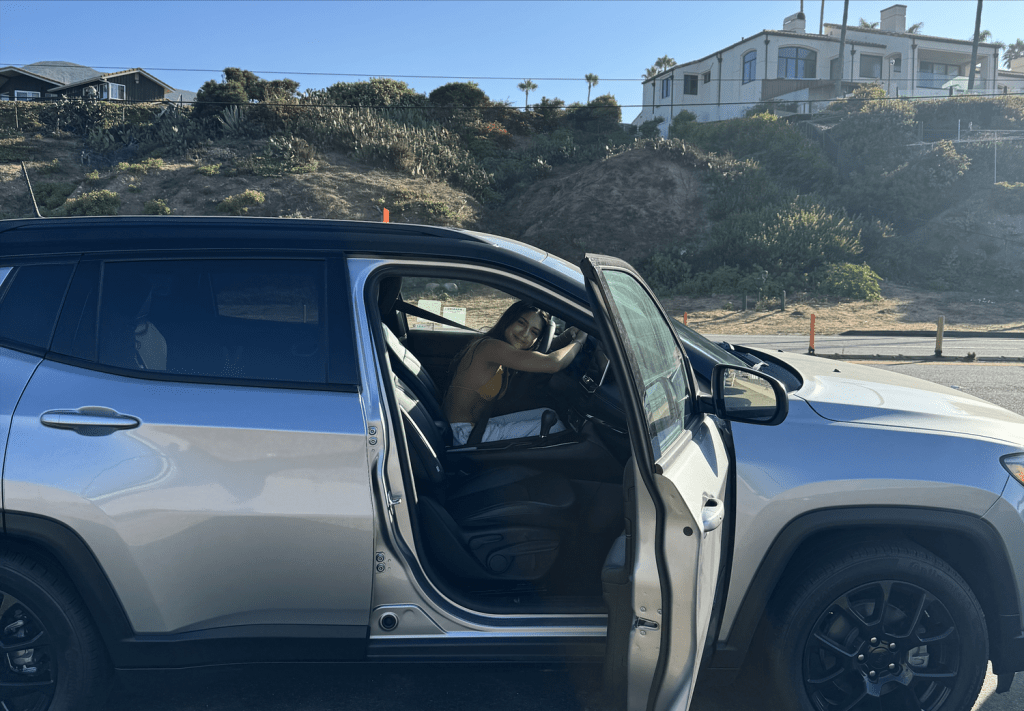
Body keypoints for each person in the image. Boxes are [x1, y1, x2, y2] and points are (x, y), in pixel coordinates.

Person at [443, 301, 587, 446]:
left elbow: (541, 355)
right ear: (509, 320)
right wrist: (580, 341)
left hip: (474, 426)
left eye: (534, 332)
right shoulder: (492, 348)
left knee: (548, 413)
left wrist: (568, 336)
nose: (524, 334)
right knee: (555, 427)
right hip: (463, 434)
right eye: (522, 323)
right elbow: (553, 363)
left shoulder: (502, 349)